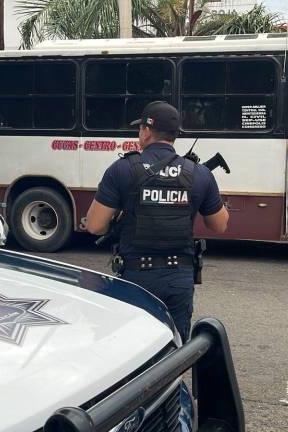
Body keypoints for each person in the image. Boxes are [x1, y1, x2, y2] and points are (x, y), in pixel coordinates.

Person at [86, 101, 229, 342]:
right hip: (179, 278)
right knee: (174, 350)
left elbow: (94, 226)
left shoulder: (121, 169)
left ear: (146, 131)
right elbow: (220, 224)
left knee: (134, 349)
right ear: (175, 135)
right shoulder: (198, 173)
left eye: (140, 128)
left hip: (136, 277)